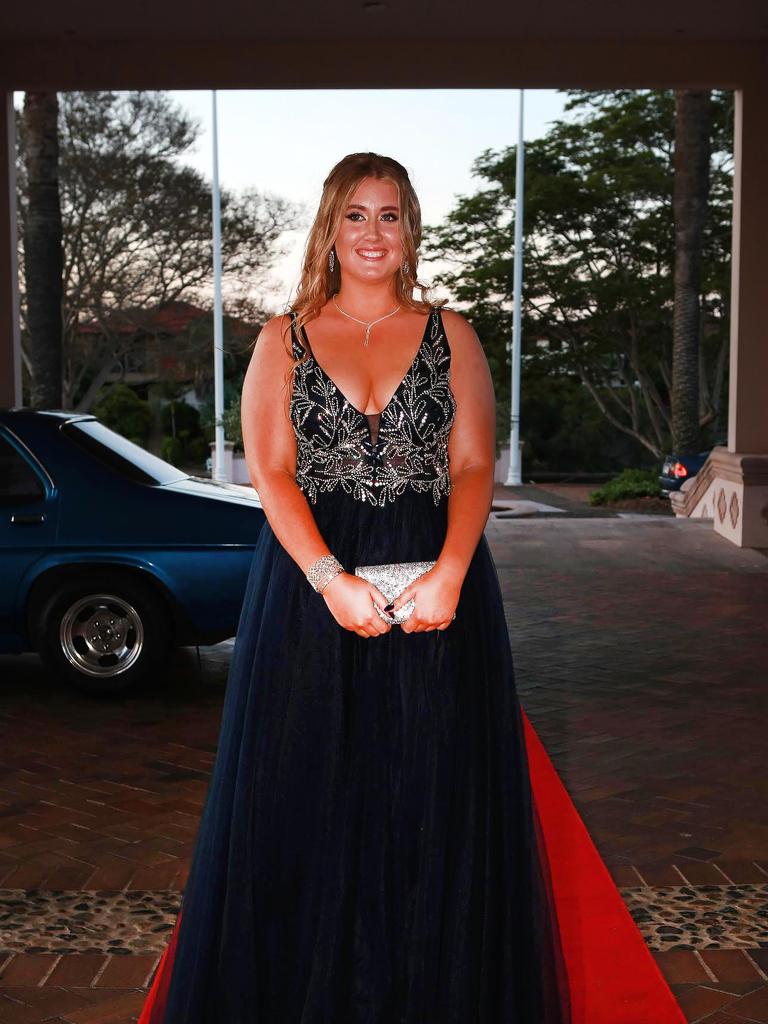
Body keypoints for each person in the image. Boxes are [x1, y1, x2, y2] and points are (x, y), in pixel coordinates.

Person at [138, 152, 571, 1023]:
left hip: (440, 591)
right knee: (307, 796)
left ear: (411, 228)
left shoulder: (454, 333)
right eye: (355, 215)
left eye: (390, 214)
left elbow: (475, 463)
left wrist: (451, 571)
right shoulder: (281, 337)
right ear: (329, 227)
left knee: (434, 794)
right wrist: (330, 579)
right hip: (308, 589)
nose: (373, 233)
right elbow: (272, 471)